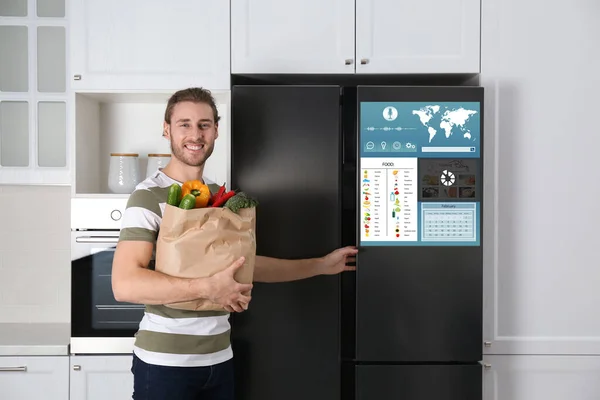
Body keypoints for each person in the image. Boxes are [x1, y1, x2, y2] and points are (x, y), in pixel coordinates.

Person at [111, 87, 358, 400]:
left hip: (220, 360)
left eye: (204, 124)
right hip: (165, 365)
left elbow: (245, 266)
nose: (195, 134)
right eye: (184, 124)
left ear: (216, 130)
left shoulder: (222, 197)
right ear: (166, 129)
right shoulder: (148, 196)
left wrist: (321, 265)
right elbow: (125, 284)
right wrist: (208, 288)